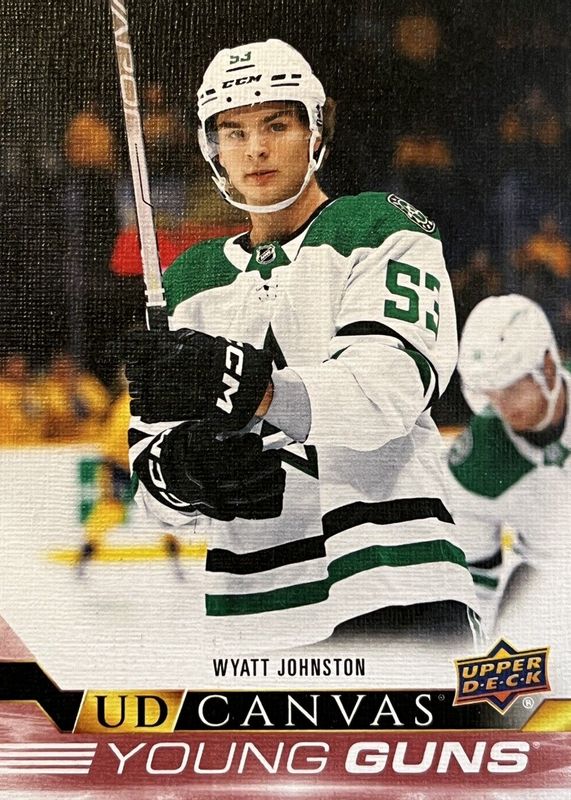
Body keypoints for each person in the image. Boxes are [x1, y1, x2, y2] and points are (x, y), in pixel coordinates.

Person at [126, 39, 478, 653]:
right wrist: (185, 469)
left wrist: (252, 388)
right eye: (233, 132)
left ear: (315, 130)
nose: (256, 149)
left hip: (396, 583)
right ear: (213, 149)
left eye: (276, 125)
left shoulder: (379, 226)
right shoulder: (185, 282)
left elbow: (387, 391)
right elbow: (153, 483)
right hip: (253, 618)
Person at [447, 295, 570, 649]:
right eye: (491, 391)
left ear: (548, 369)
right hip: (547, 584)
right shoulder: (478, 460)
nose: (501, 406)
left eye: (512, 388)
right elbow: (475, 586)